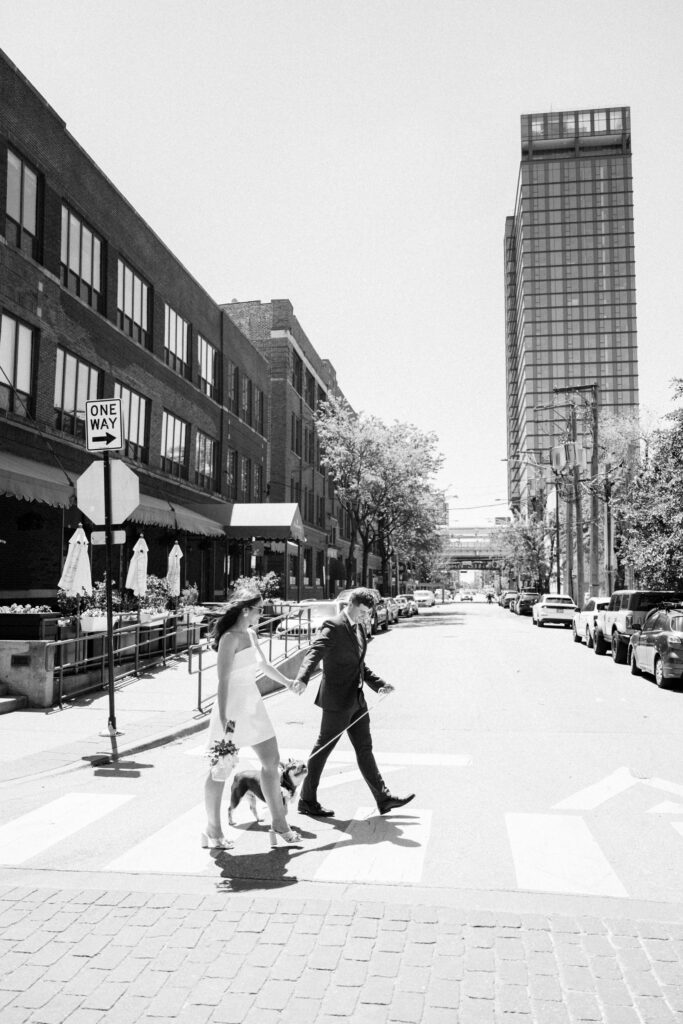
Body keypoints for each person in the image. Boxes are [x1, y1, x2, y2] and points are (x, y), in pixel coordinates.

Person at [291, 587, 414, 817]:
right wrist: (302, 678)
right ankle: (307, 799)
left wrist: (379, 684)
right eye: (364, 611)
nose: (366, 616)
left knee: (365, 749)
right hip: (337, 701)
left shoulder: (358, 627)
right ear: (351, 604)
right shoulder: (334, 626)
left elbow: (359, 666)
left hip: (357, 700)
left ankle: (383, 797)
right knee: (323, 750)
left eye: (368, 612)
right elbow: (315, 651)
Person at [203, 585, 303, 849]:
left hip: (253, 705)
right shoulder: (229, 639)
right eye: (260, 609)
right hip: (232, 708)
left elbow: (263, 665)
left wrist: (287, 682)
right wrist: (224, 719)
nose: (262, 613)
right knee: (220, 770)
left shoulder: (251, 632)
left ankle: (280, 824)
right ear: (246, 610)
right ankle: (212, 830)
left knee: (272, 762)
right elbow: (222, 681)